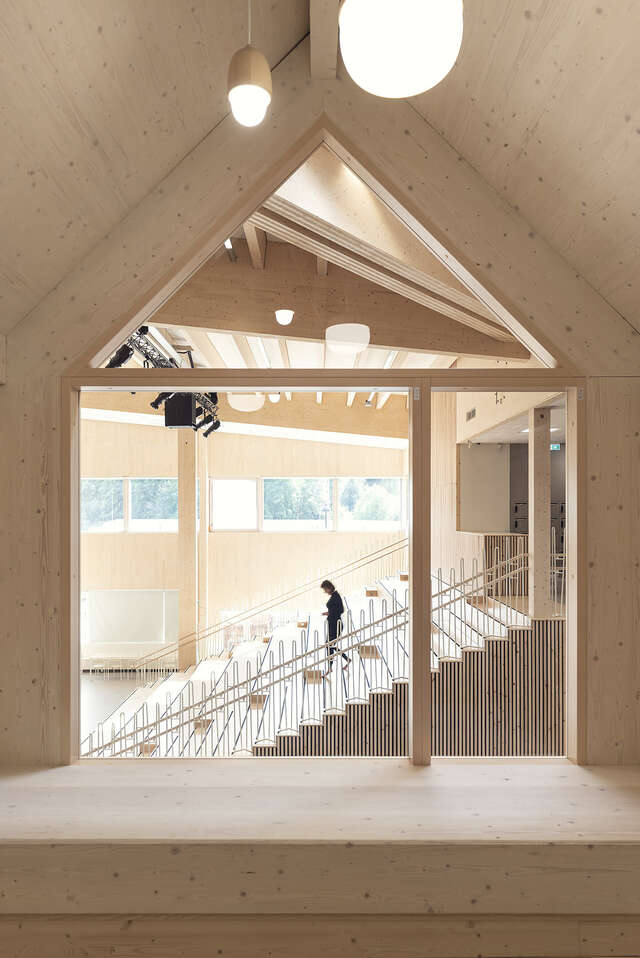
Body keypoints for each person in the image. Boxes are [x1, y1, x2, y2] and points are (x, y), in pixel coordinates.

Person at [321, 579, 350, 675]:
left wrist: (330, 613)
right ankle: (345, 660)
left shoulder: (336, 596)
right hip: (332, 624)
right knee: (330, 645)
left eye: (325, 589)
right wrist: (329, 613)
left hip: (335, 624)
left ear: (329, 587)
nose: (324, 591)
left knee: (329, 644)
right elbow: (335, 610)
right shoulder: (334, 596)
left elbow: (340, 610)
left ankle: (330, 667)